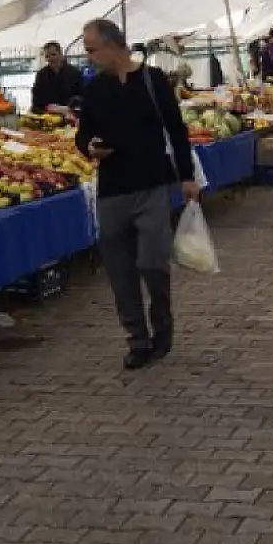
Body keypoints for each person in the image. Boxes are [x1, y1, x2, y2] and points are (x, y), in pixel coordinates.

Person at [75, 19, 199, 370]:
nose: (88, 57)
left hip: (152, 184)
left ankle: (162, 321)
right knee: (119, 269)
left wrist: (186, 177)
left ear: (113, 45)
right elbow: (83, 135)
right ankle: (137, 339)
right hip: (112, 188)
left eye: (91, 49)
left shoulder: (152, 80)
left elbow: (176, 129)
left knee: (152, 262)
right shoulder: (95, 88)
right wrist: (91, 147)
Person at [31, 41, 83, 115]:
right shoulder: (41, 75)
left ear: (61, 54)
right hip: (47, 118)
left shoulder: (75, 73)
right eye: (47, 56)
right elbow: (36, 101)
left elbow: (81, 99)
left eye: (53, 54)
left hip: (70, 117)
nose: (51, 59)